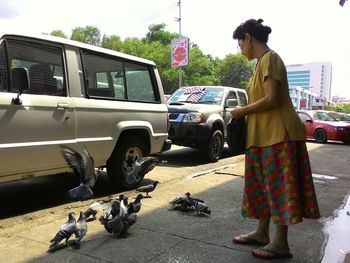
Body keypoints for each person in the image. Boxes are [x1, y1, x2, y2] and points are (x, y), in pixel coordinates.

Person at [230, 18, 320, 260]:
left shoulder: (271, 58)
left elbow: (271, 99)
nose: (239, 48)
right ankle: (262, 233)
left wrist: (242, 111)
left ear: (248, 37)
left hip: (279, 135)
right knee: (263, 186)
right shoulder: (260, 64)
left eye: (240, 42)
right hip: (261, 137)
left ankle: (281, 243)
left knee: (280, 188)